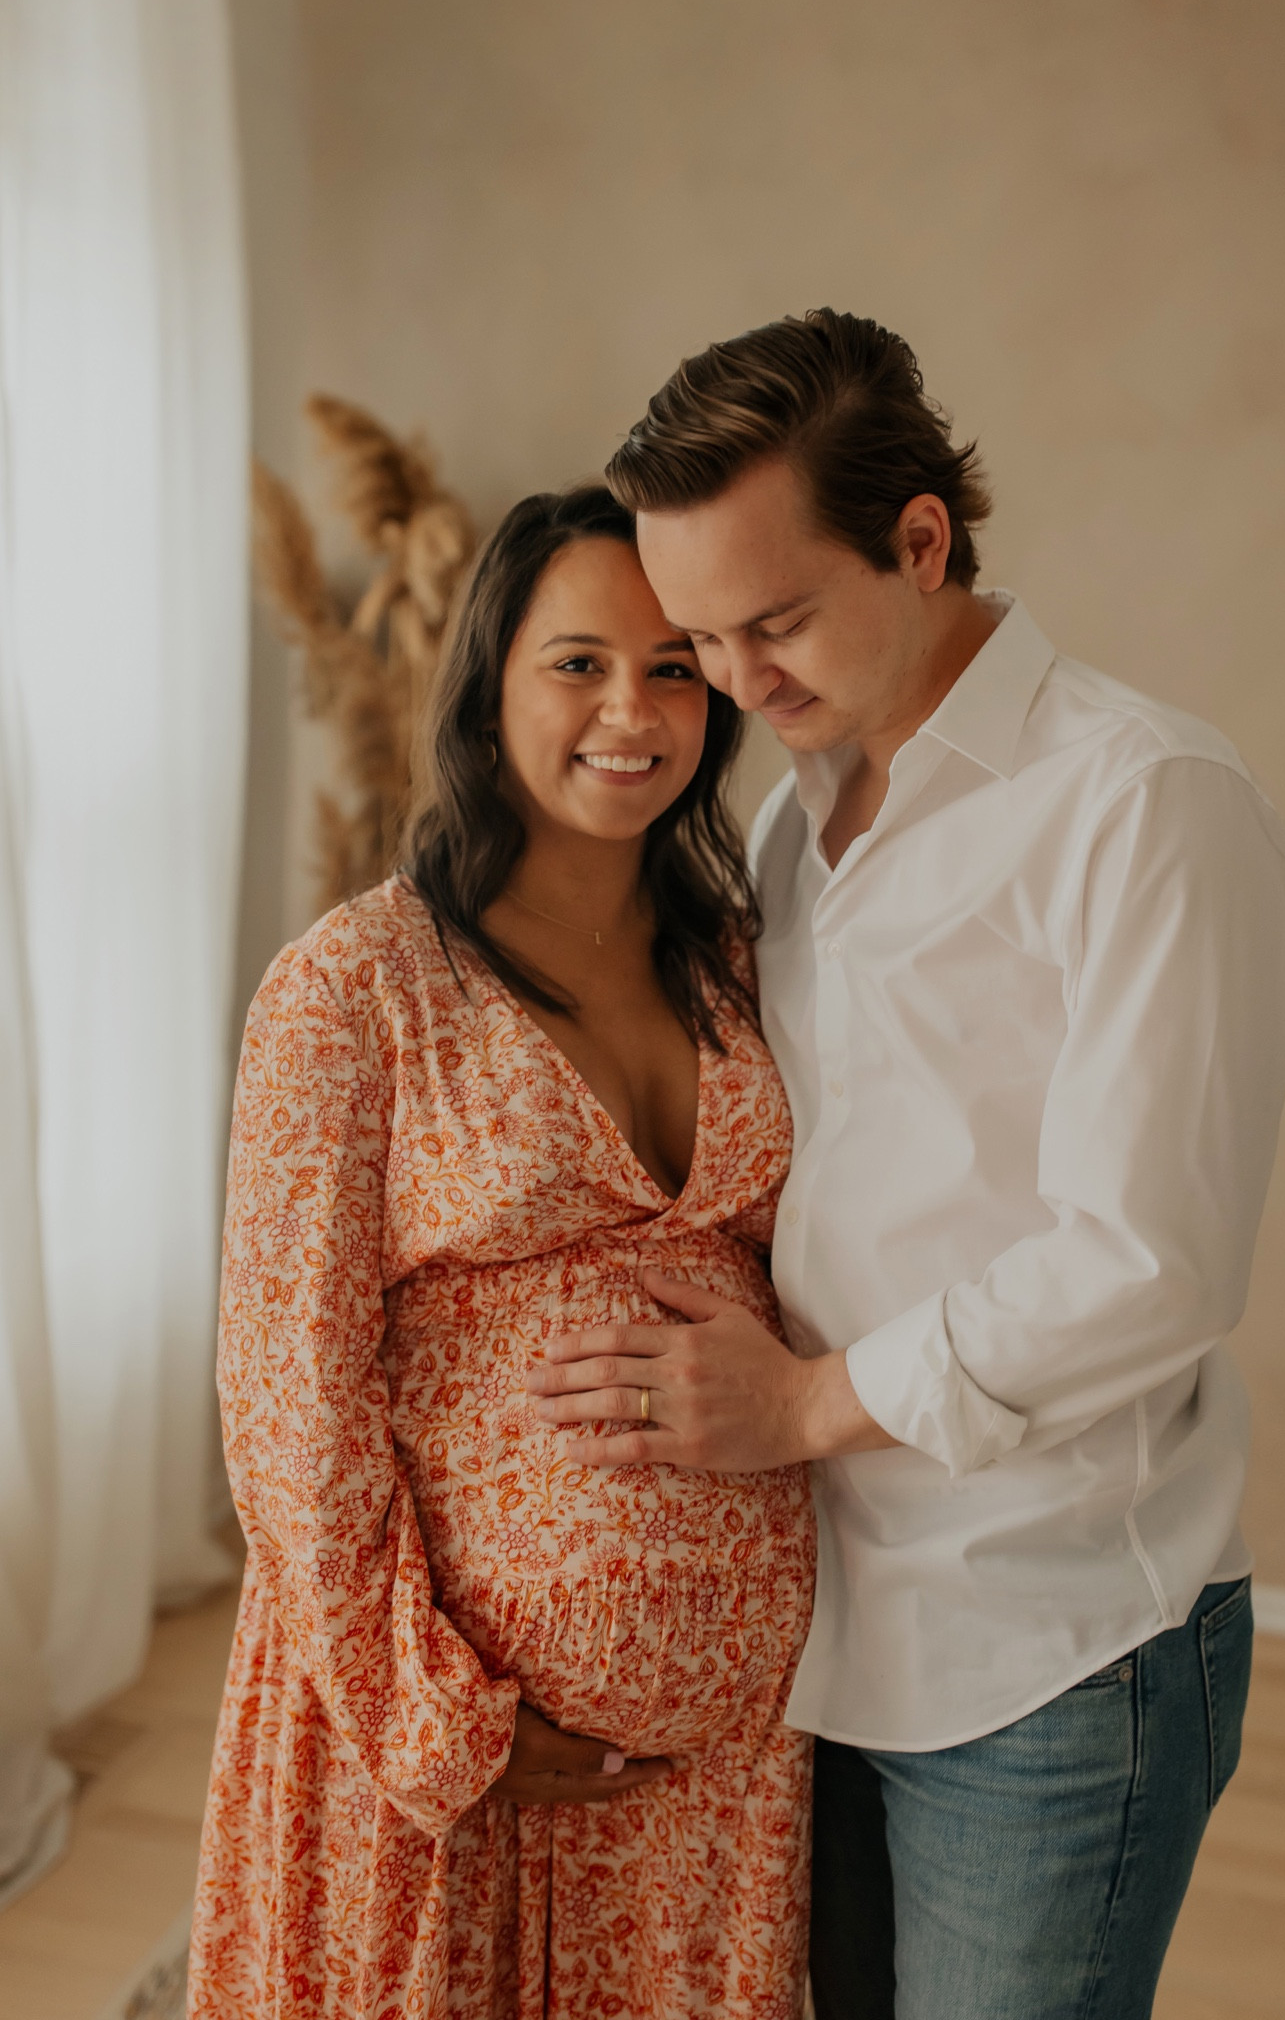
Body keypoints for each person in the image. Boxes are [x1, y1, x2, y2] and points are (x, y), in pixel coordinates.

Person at [527, 311, 1285, 2020]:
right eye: (703, 637)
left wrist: (799, 1409)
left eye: (777, 620)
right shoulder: (794, 813)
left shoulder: (1145, 802)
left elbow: (1149, 1263)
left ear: (918, 538)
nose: (733, 683)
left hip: (1046, 1641)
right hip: (828, 1620)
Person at [188, 486, 816, 2020]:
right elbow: (288, 1397)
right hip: (441, 1748)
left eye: (674, 666)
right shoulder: (353, 985)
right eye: (578, 662)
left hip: (718, 1772)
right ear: (486, 686)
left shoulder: (744, 962)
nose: (632, 709)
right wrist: (436, 1718)